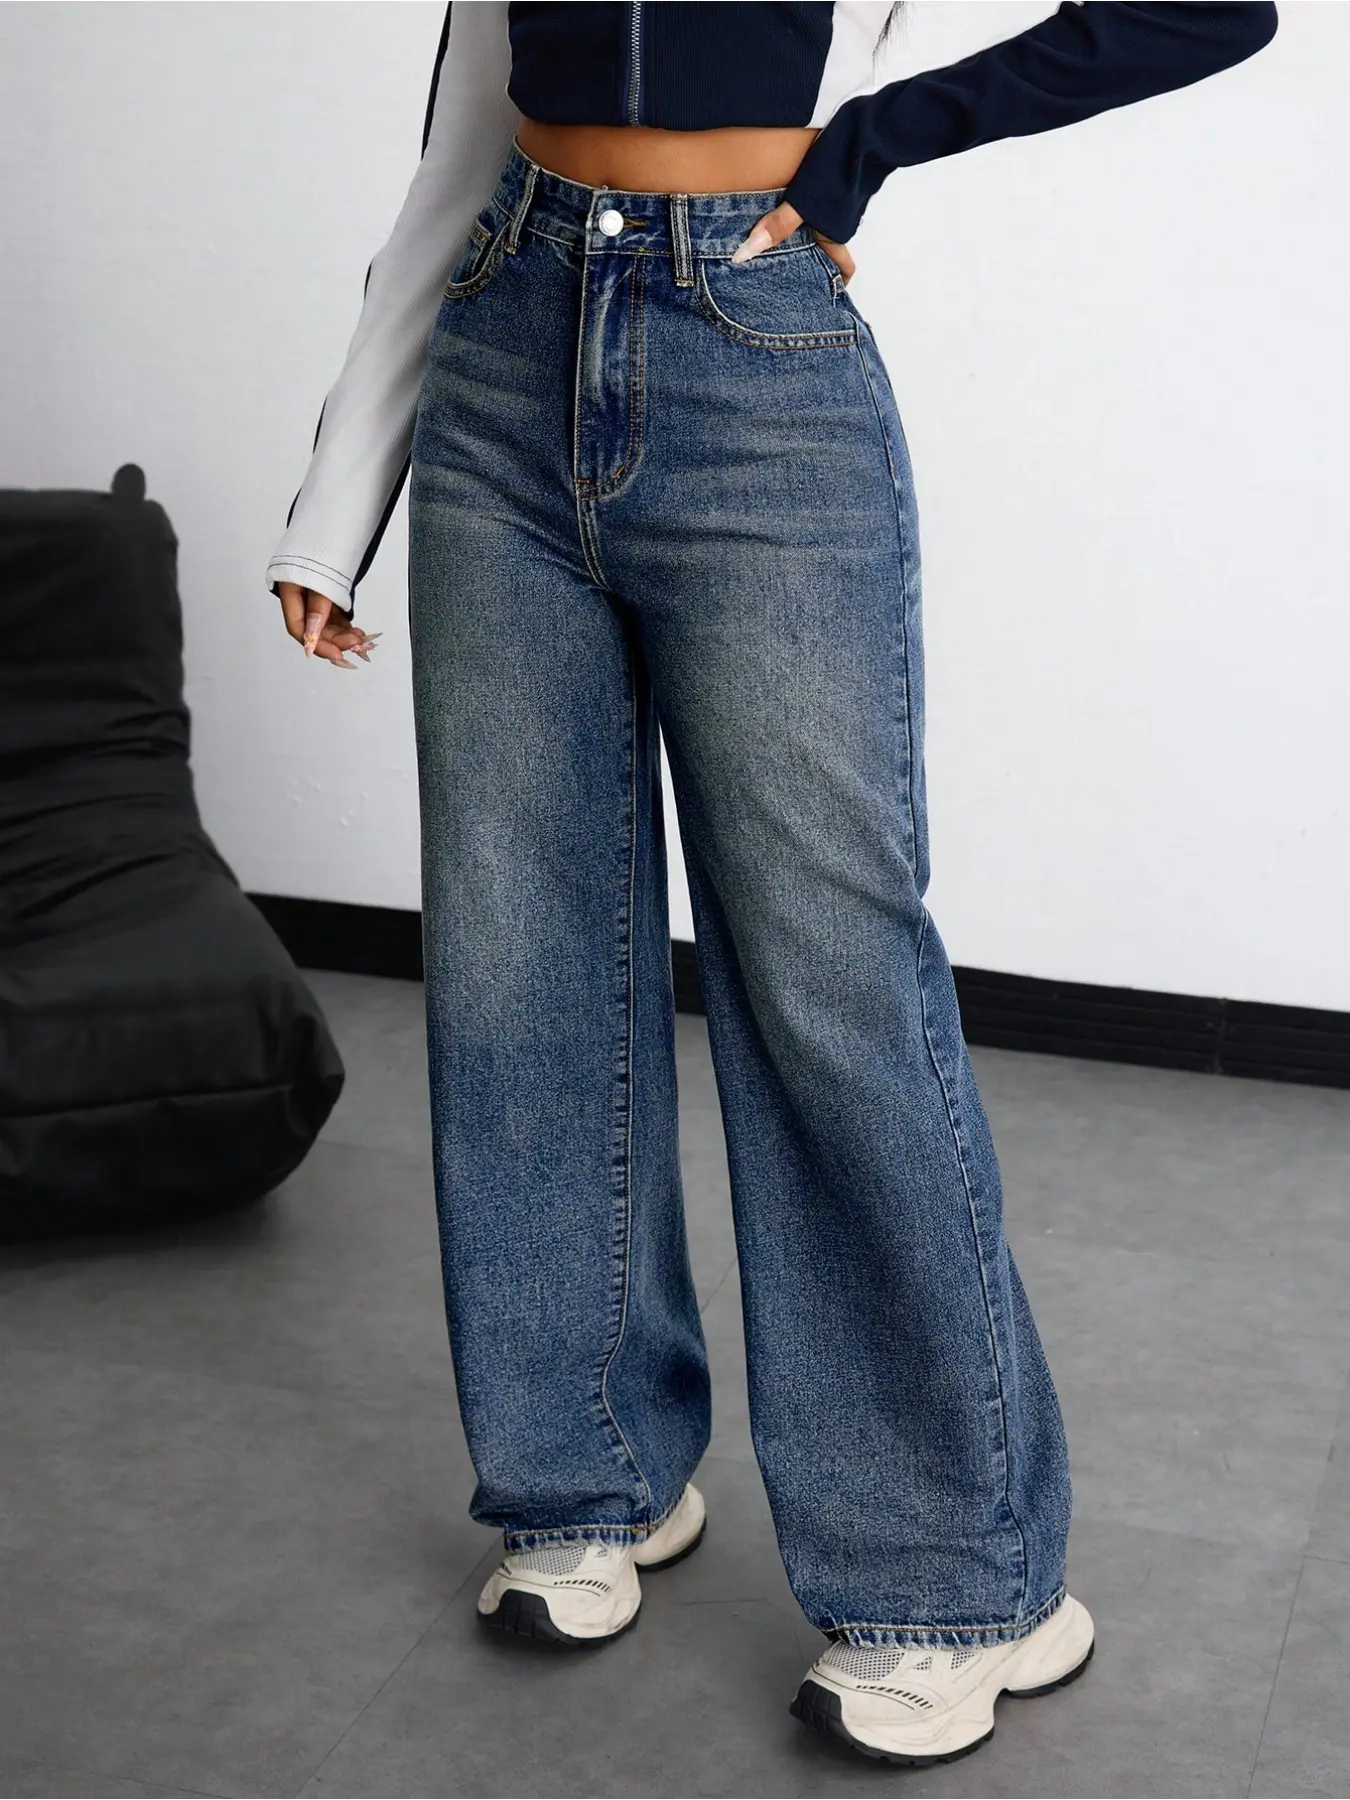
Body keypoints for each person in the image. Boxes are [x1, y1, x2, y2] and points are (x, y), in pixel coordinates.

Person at [267, 1, 1278, 1766]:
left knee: (828, 982)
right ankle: (584, 1475)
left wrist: (869, 145)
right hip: (505, 344)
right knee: (515, 962)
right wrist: (334, 498)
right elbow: (461, 141)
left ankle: (961, 1584)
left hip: (752, 359)